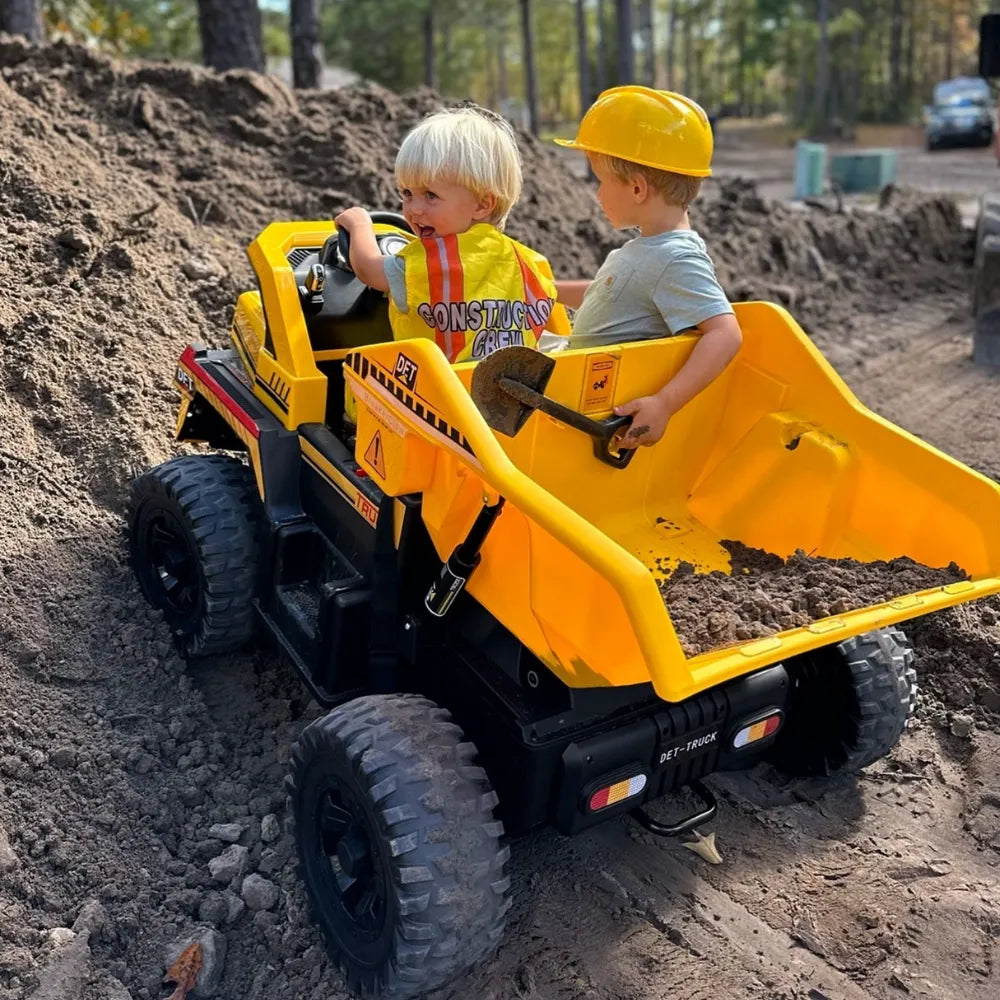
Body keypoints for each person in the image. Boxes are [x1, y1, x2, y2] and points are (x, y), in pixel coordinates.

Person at [553, 86, 743, 450]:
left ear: (638, 189)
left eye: (601, 181)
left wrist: (664, 403)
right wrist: (547, 287)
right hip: (577, 392)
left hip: (592, 413)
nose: (597, 194)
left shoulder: (676, 259)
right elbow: (606, 292)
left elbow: (726, 333)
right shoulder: (651, 250)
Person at [334, 106, 569, 369]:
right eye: (407, 193)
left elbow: (367, 268)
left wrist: (359, 225)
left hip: (433, 397)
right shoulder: (524, 261)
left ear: (482, 205)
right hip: (505, 393)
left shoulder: (421, 264)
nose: (413, 209)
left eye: (430, 196)